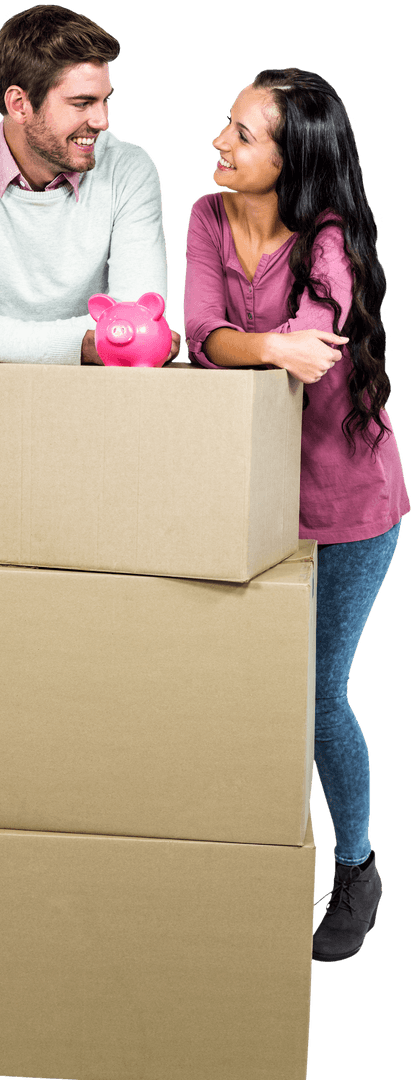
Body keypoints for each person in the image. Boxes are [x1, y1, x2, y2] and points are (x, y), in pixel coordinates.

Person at [183, 67, 410, 963]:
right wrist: (258, 344)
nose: (219, 143)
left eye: (242, 134)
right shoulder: (208, 216)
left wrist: (269, 346)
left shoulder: (331, 237)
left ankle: (356, 866)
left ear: (293, 157)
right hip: (249, 499)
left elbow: (311, 352)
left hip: (348, 503)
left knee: (314, 695)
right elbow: (198, 334)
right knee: (238, 688)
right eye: (227, 124)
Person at [0, 4, 181, 554]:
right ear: (18, 102)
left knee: (89, 619)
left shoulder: (129, 169)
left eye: (104, 100)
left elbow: (135, 332)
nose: (101, 120)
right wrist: (85, 342)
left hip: (100, 430)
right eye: (81, 103)